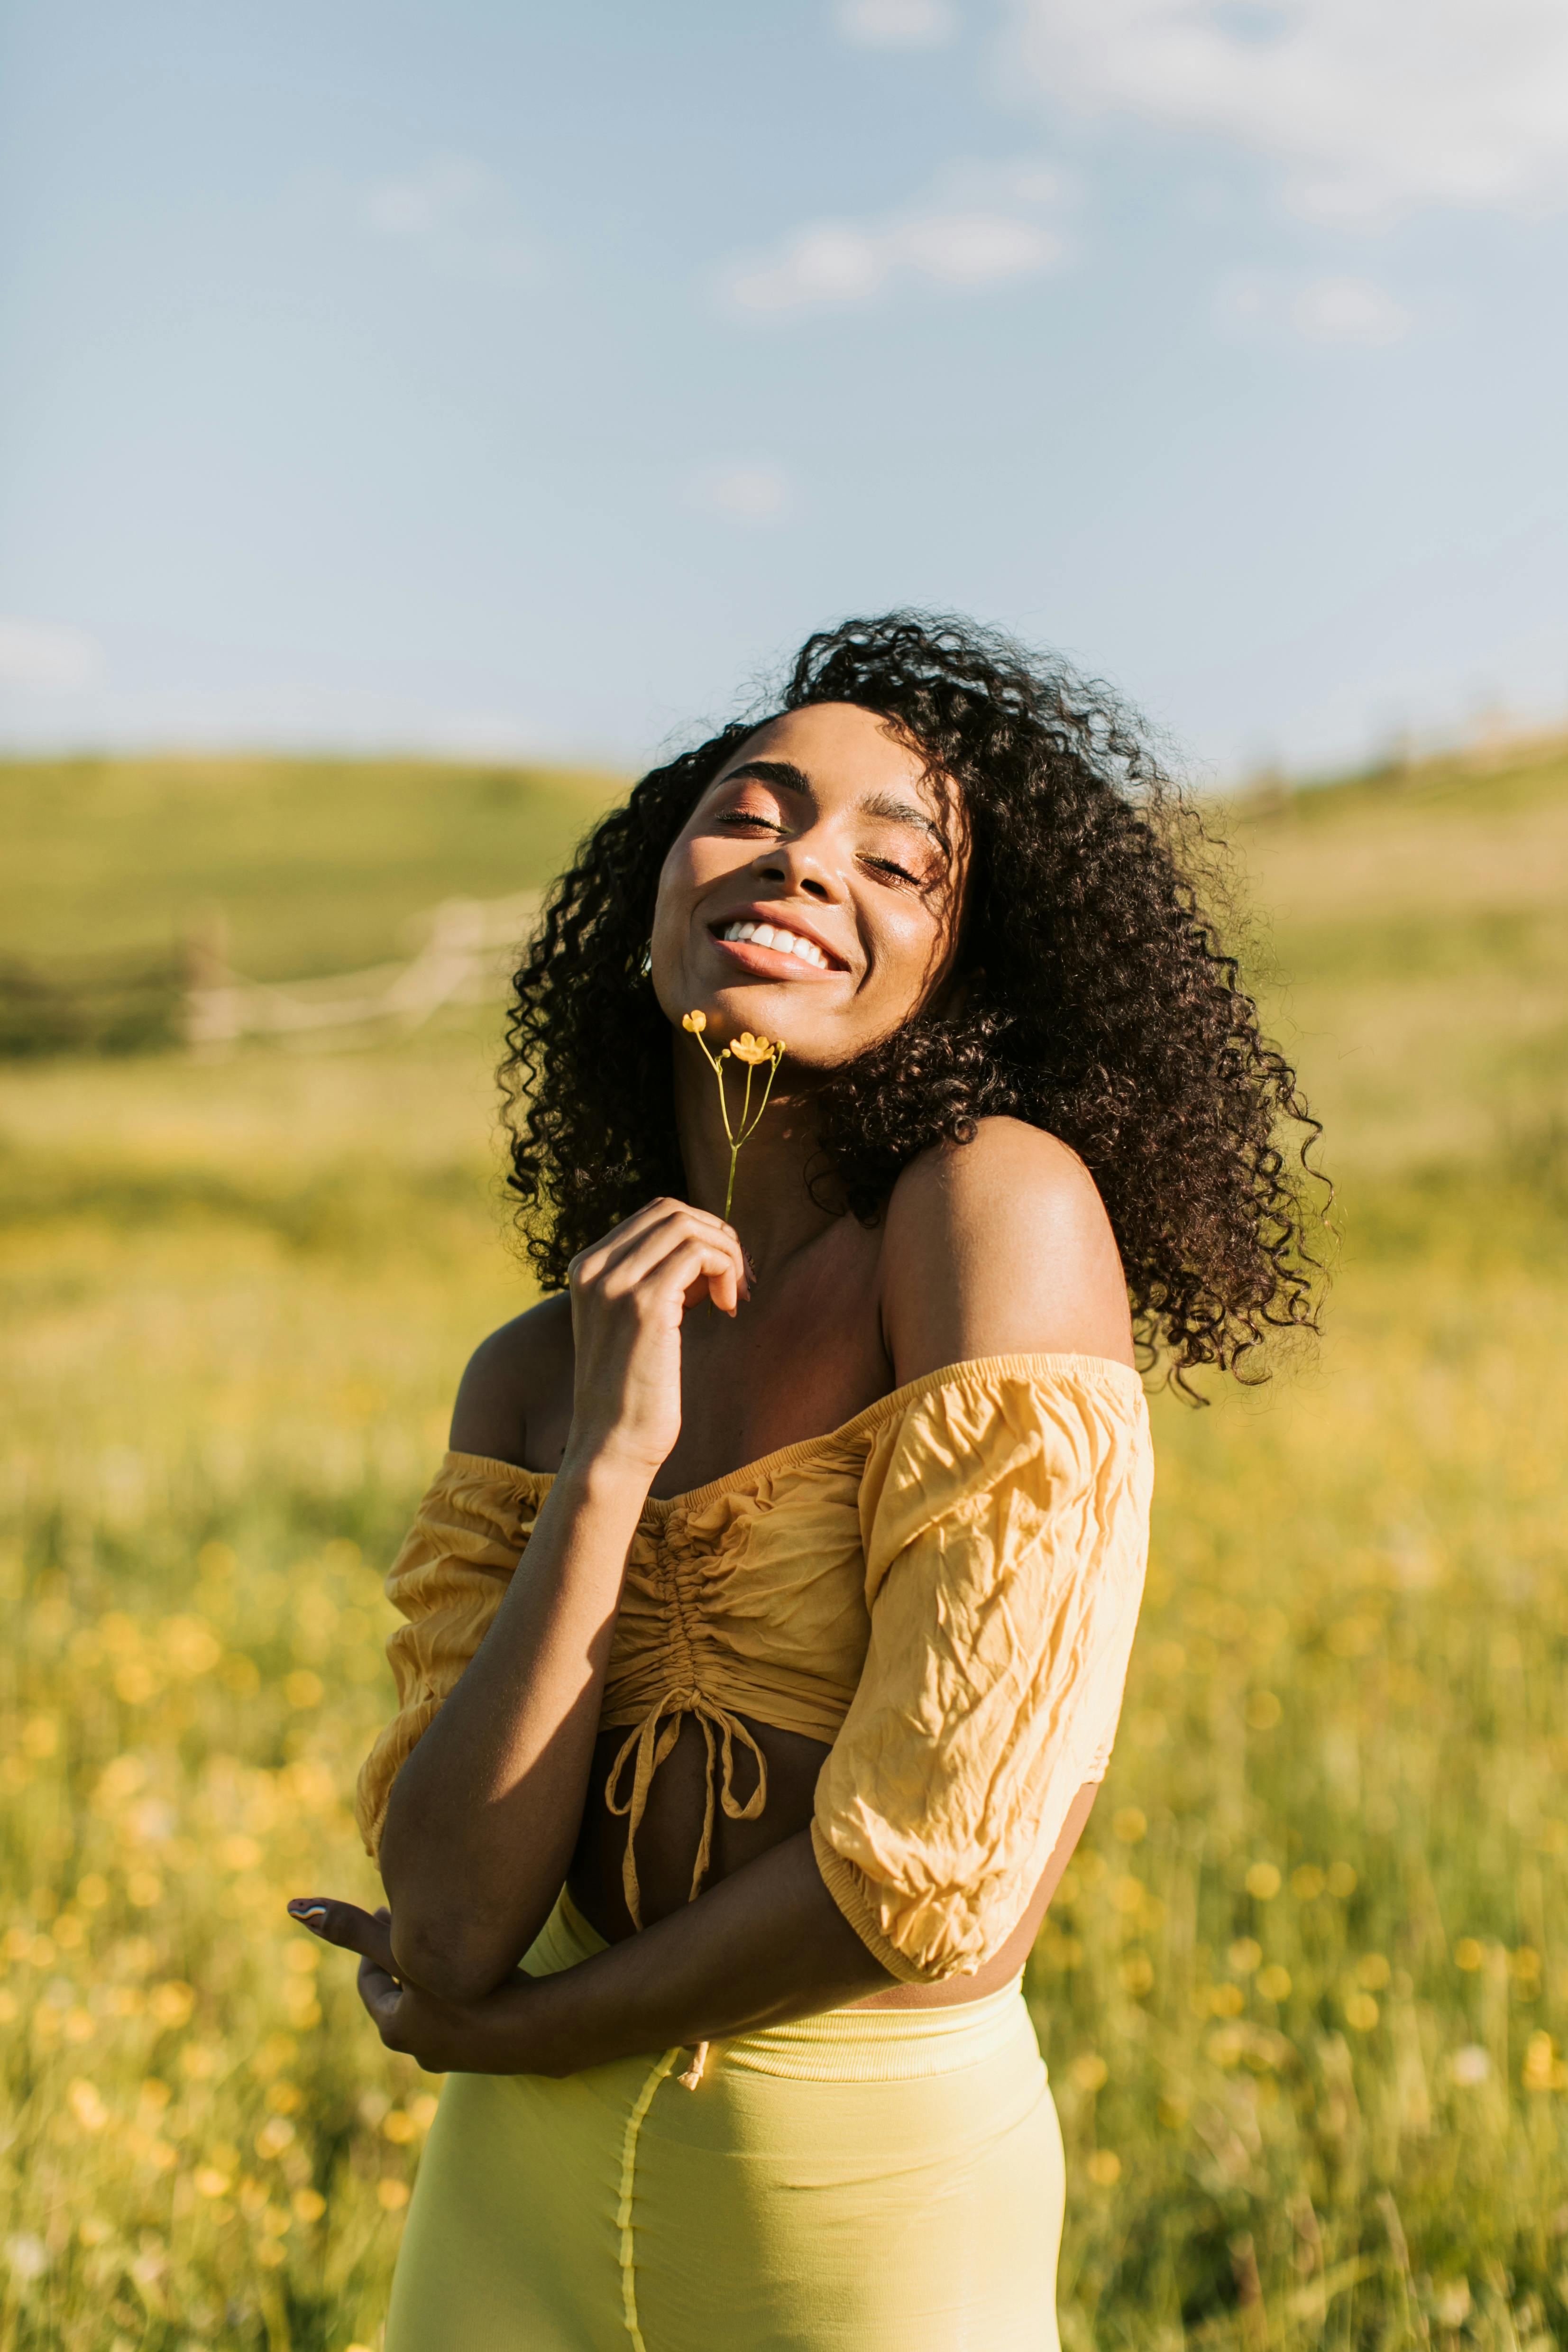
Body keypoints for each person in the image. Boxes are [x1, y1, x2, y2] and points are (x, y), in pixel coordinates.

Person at [289, 613, 1320, 2349]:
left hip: (855, 2188)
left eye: (893, 859)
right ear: (649, 896)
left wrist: (541, 2031)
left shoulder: (989, 1211)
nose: (799, 859)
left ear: (959, 967)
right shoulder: (541, 1368)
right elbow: (455, 1928)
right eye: (749, 810)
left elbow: (943, 1876)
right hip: (510, 2200)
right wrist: (609, 1467)